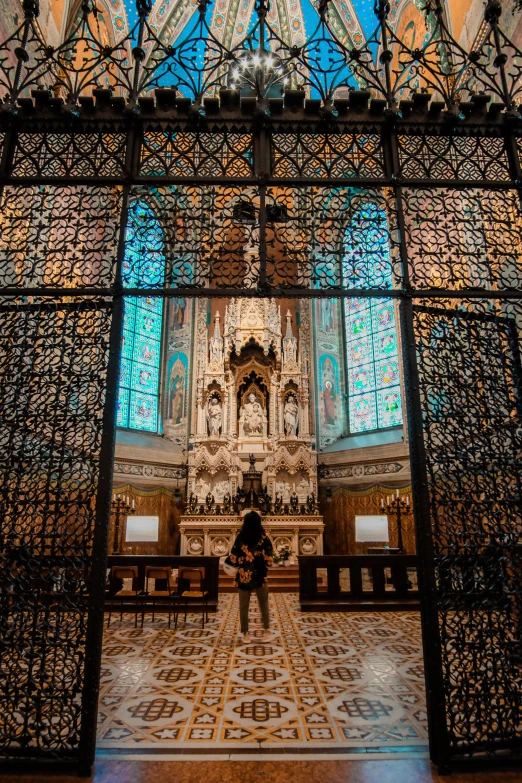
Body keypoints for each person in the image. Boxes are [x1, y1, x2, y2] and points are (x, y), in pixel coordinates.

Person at [228, 510, 273, 643]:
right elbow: (269, 557)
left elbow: (233, 555)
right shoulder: (263, 537)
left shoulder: (241, 536)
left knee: (243, 605)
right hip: (260, 574)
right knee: (263, 603)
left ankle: (246, 634)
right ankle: (266, 631)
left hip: (244, 574)